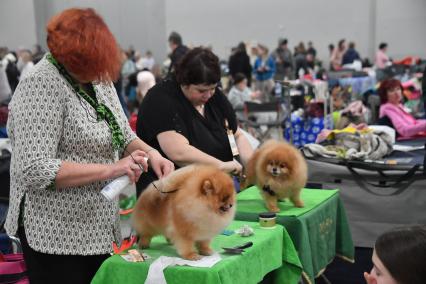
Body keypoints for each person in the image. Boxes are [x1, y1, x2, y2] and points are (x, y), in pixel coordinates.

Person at [4, 8, 174, 283]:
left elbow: (122, 131)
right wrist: (111, 169)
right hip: (55, 232)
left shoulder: (97, 78)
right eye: (92, 65)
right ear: (70, 58)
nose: (99, 72)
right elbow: (36, 169)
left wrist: (152, 153)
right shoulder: (40, 85)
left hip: (97, 224)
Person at [136, 47, 254, 192]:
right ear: (184, 83)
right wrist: (219, 166)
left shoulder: (214, 96)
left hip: (212, 192)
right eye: (201, 91)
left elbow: (235, 134)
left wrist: (255, 168)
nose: (209, 95)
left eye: (213, 88)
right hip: (169, 197)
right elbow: (178, 153)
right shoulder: (160, 100)